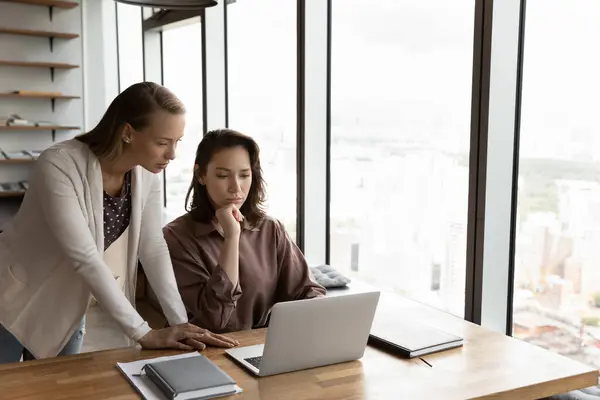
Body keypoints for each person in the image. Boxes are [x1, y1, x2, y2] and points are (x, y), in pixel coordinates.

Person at [0, 82, 237, 364]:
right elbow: (85, 256)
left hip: (67, 302)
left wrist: (180, 324)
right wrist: (143, 333)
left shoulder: (146, 174)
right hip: (13, 296)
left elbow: (152, 248)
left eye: (177, 142)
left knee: (60, 387)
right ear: (127, 132)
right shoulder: (58, 164)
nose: (172, 154)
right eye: (162, 142)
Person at [162, 128, 326, 334]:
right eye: (222, 175)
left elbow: (306, 291)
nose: (236, 188)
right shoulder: (175, 237)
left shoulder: (269, 229)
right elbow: (214, 321)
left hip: (264, 349)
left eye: (244, 175)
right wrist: (232, 238)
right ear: (201, 175)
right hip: (205, 354)